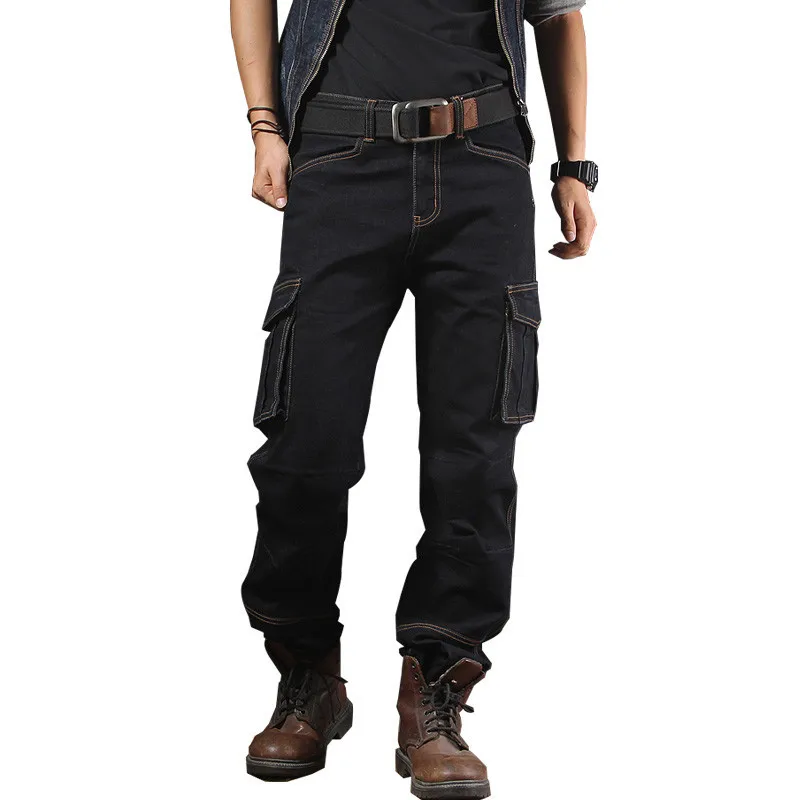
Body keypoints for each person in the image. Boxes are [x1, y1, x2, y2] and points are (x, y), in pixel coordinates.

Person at [231, 1, 597, 797]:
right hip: (339, 155)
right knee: (305, 438)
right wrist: (264, 126)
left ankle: (436, 689)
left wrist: (574, 166)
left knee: (475, 451)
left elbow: (559, 14)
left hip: (483, 163)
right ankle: (307, 676)